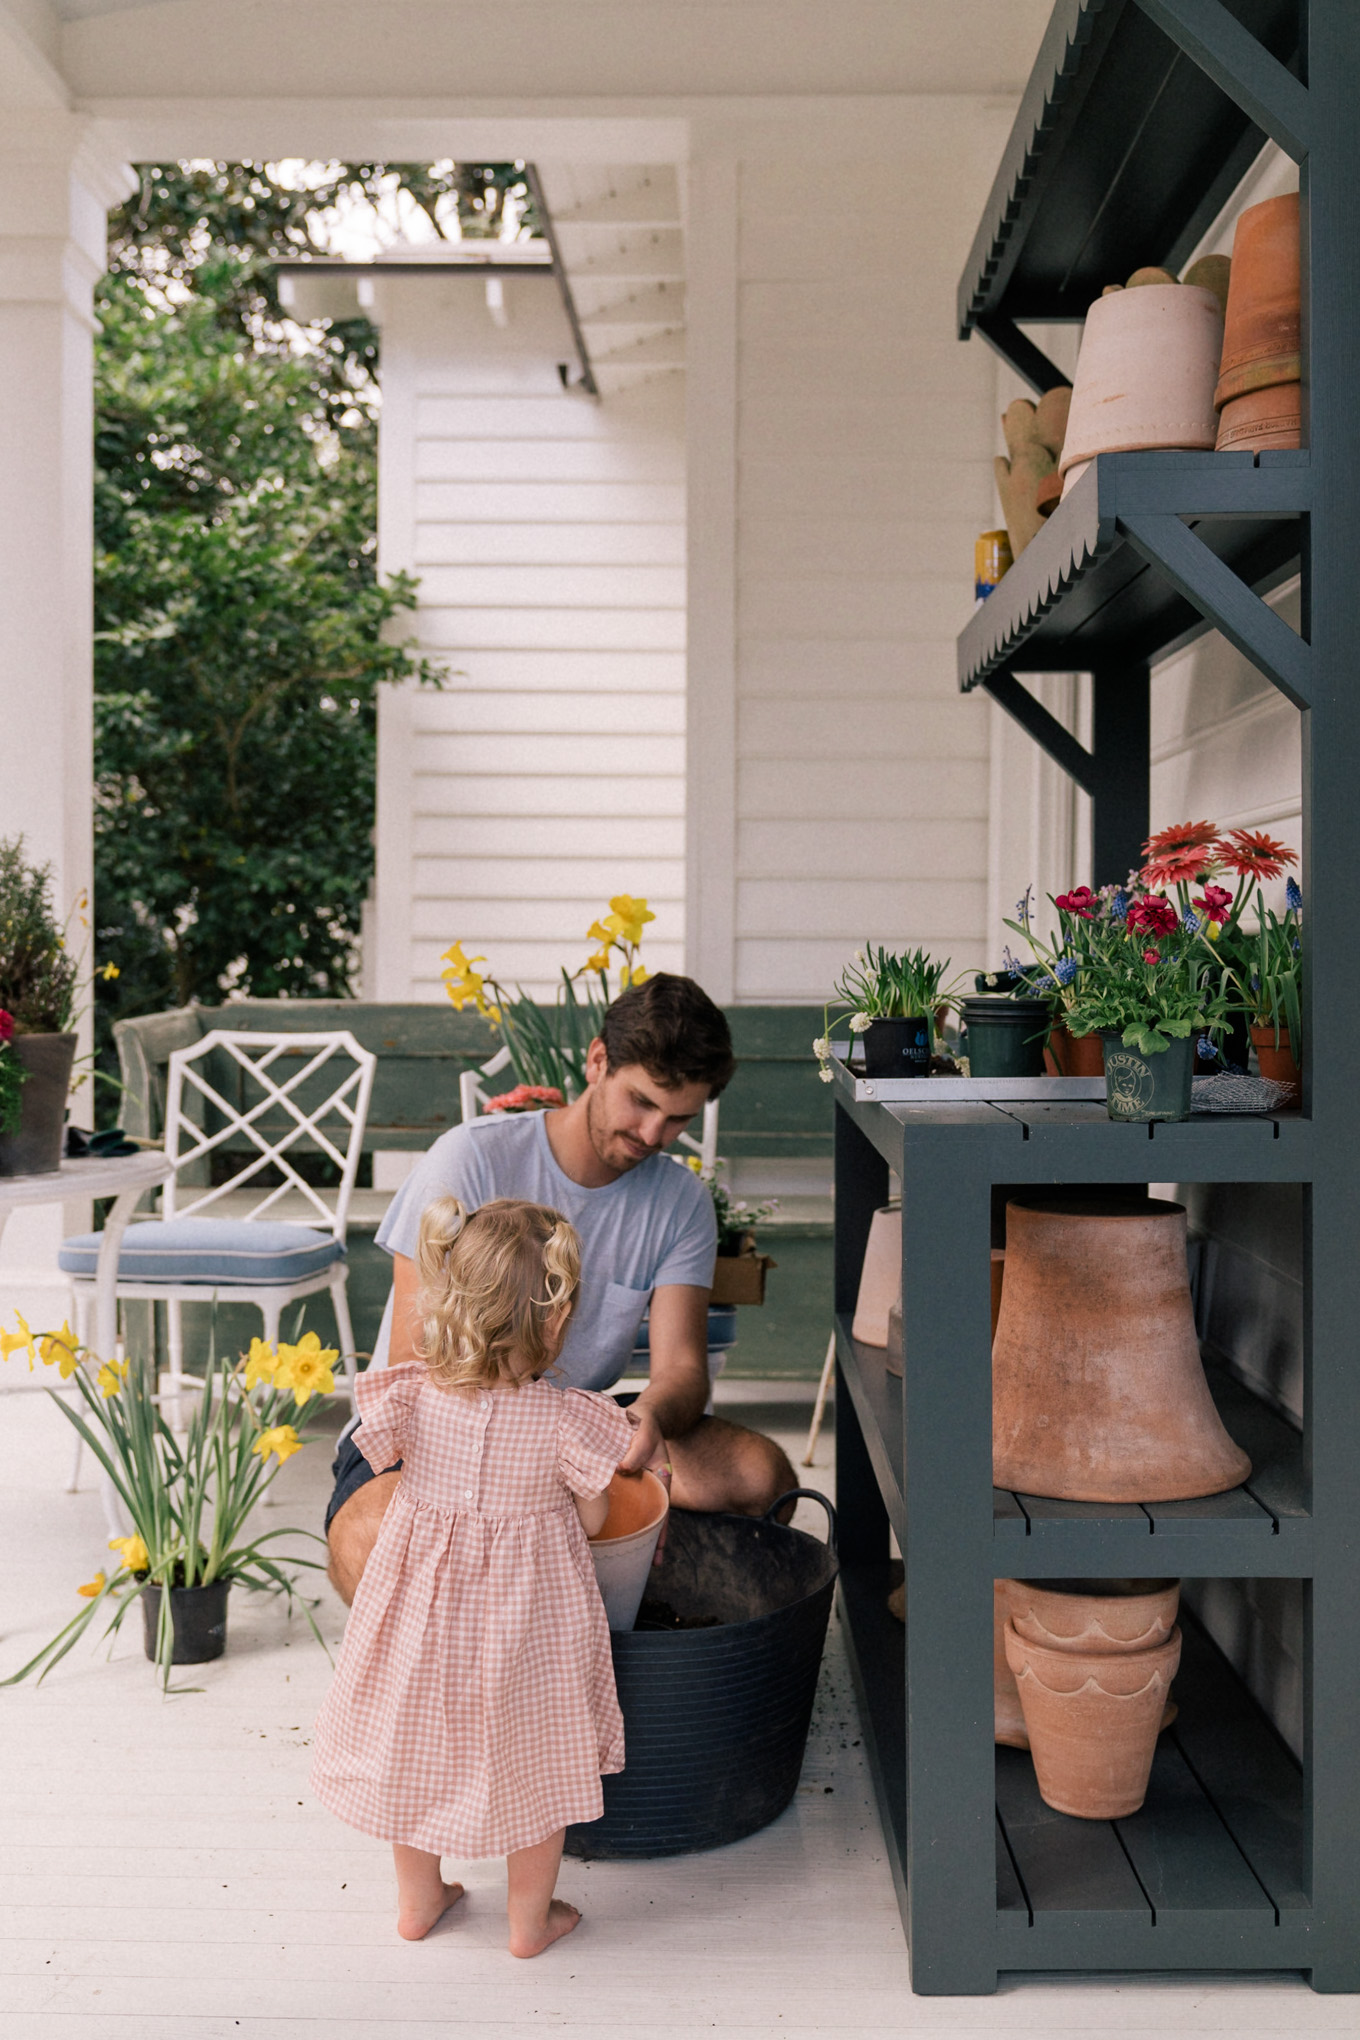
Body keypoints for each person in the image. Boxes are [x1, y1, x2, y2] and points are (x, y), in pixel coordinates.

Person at [325, 974, 795, 1604]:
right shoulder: (470, 1159)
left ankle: (591, 1575)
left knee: (762, 1475)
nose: (655, 1135)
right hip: (434, 1429)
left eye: (678, 1118)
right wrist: (527, 1467)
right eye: (642, 1102)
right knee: (375, 1540)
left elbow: (683, 1369)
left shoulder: (681, 1201)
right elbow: (418, 1365)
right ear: (598, 1060)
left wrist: (648, 1418)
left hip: (578, 1426)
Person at [311, 1196, 633, 1954]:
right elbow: (591, 1522)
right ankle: (529, 1921)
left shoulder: (415, 1397)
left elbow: (374, 1458)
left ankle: (420, 1899)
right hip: (529, 1631)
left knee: (412, 1749)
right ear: (556, 1320)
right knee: (539, 1761)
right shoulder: (565, 1419)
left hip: (420, 1625)